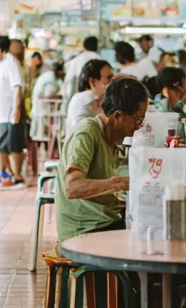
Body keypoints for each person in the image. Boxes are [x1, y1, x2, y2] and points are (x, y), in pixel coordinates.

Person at [54, 77, 148, 243]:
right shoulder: (87, 133)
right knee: (148, 240)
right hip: (84, 230)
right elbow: (72, 187)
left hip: (104, 221)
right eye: (137, 119)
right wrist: (121, 183)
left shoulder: (110, 140)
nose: (139, 126)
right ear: (118, 115)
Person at [0, 35, 26, 188]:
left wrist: (16, 109)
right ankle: (4, 175)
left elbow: (17, 87)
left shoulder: (11, 62)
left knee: (13, 146)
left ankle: (17, 177)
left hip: (9, 113)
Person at [66, 58, 115, 132]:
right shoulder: (85, 100)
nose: (113, 83)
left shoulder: (96, 102)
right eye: (109, 78)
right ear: (93, 82)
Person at [31, 62, 64, 143]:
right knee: (42, 130)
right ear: (59, 71)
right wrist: (58, 97)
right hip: (40, 105)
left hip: (40, 105)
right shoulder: (51, 79)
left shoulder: (51, 77)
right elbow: (49, 95)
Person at [62, 36, 101, 102]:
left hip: (79, 92)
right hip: (95, 94)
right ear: (96, 46)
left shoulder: (78, 58)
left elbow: (68, 78)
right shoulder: (99, 59)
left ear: (84, 46)